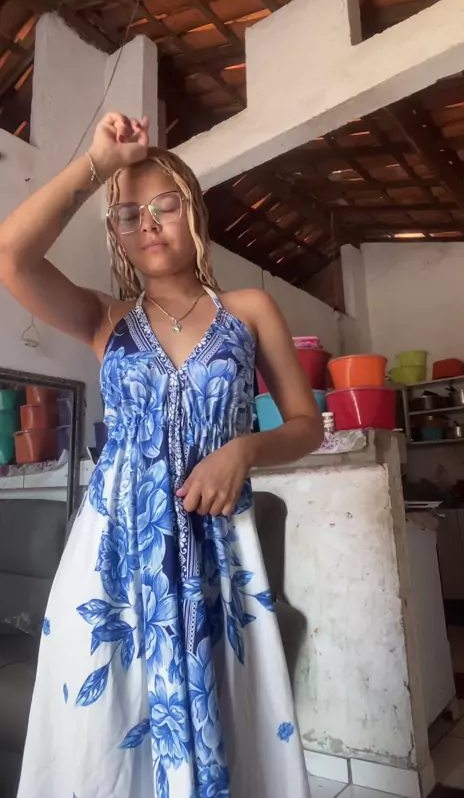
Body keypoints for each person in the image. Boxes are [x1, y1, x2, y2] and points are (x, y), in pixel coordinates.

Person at [0, 112, 323, 798]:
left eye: (164, 206)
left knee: (229, 721)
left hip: (218, 554)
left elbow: (306, 426)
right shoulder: (106, 320)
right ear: (117, 234)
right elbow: (12, 255)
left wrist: (243, 450)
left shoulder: (249, 311)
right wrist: (98, 163)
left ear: (193, 212)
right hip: (113, 557)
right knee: (109, 736)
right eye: (128, 215)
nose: (147, 224)